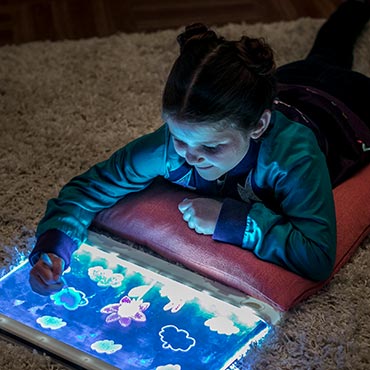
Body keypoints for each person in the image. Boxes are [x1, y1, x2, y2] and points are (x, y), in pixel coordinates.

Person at [29, 0, 370, 295]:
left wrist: (233, 221)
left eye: (212, 146)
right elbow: (89, 188)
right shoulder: (168, 147)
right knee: (328, 51)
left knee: (333, 59)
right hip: (288, 82)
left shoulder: (292, 158)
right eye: (180, 137)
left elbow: (317, 254)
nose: (190, 156)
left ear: (259, 127)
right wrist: (55, 247)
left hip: (348, 105)